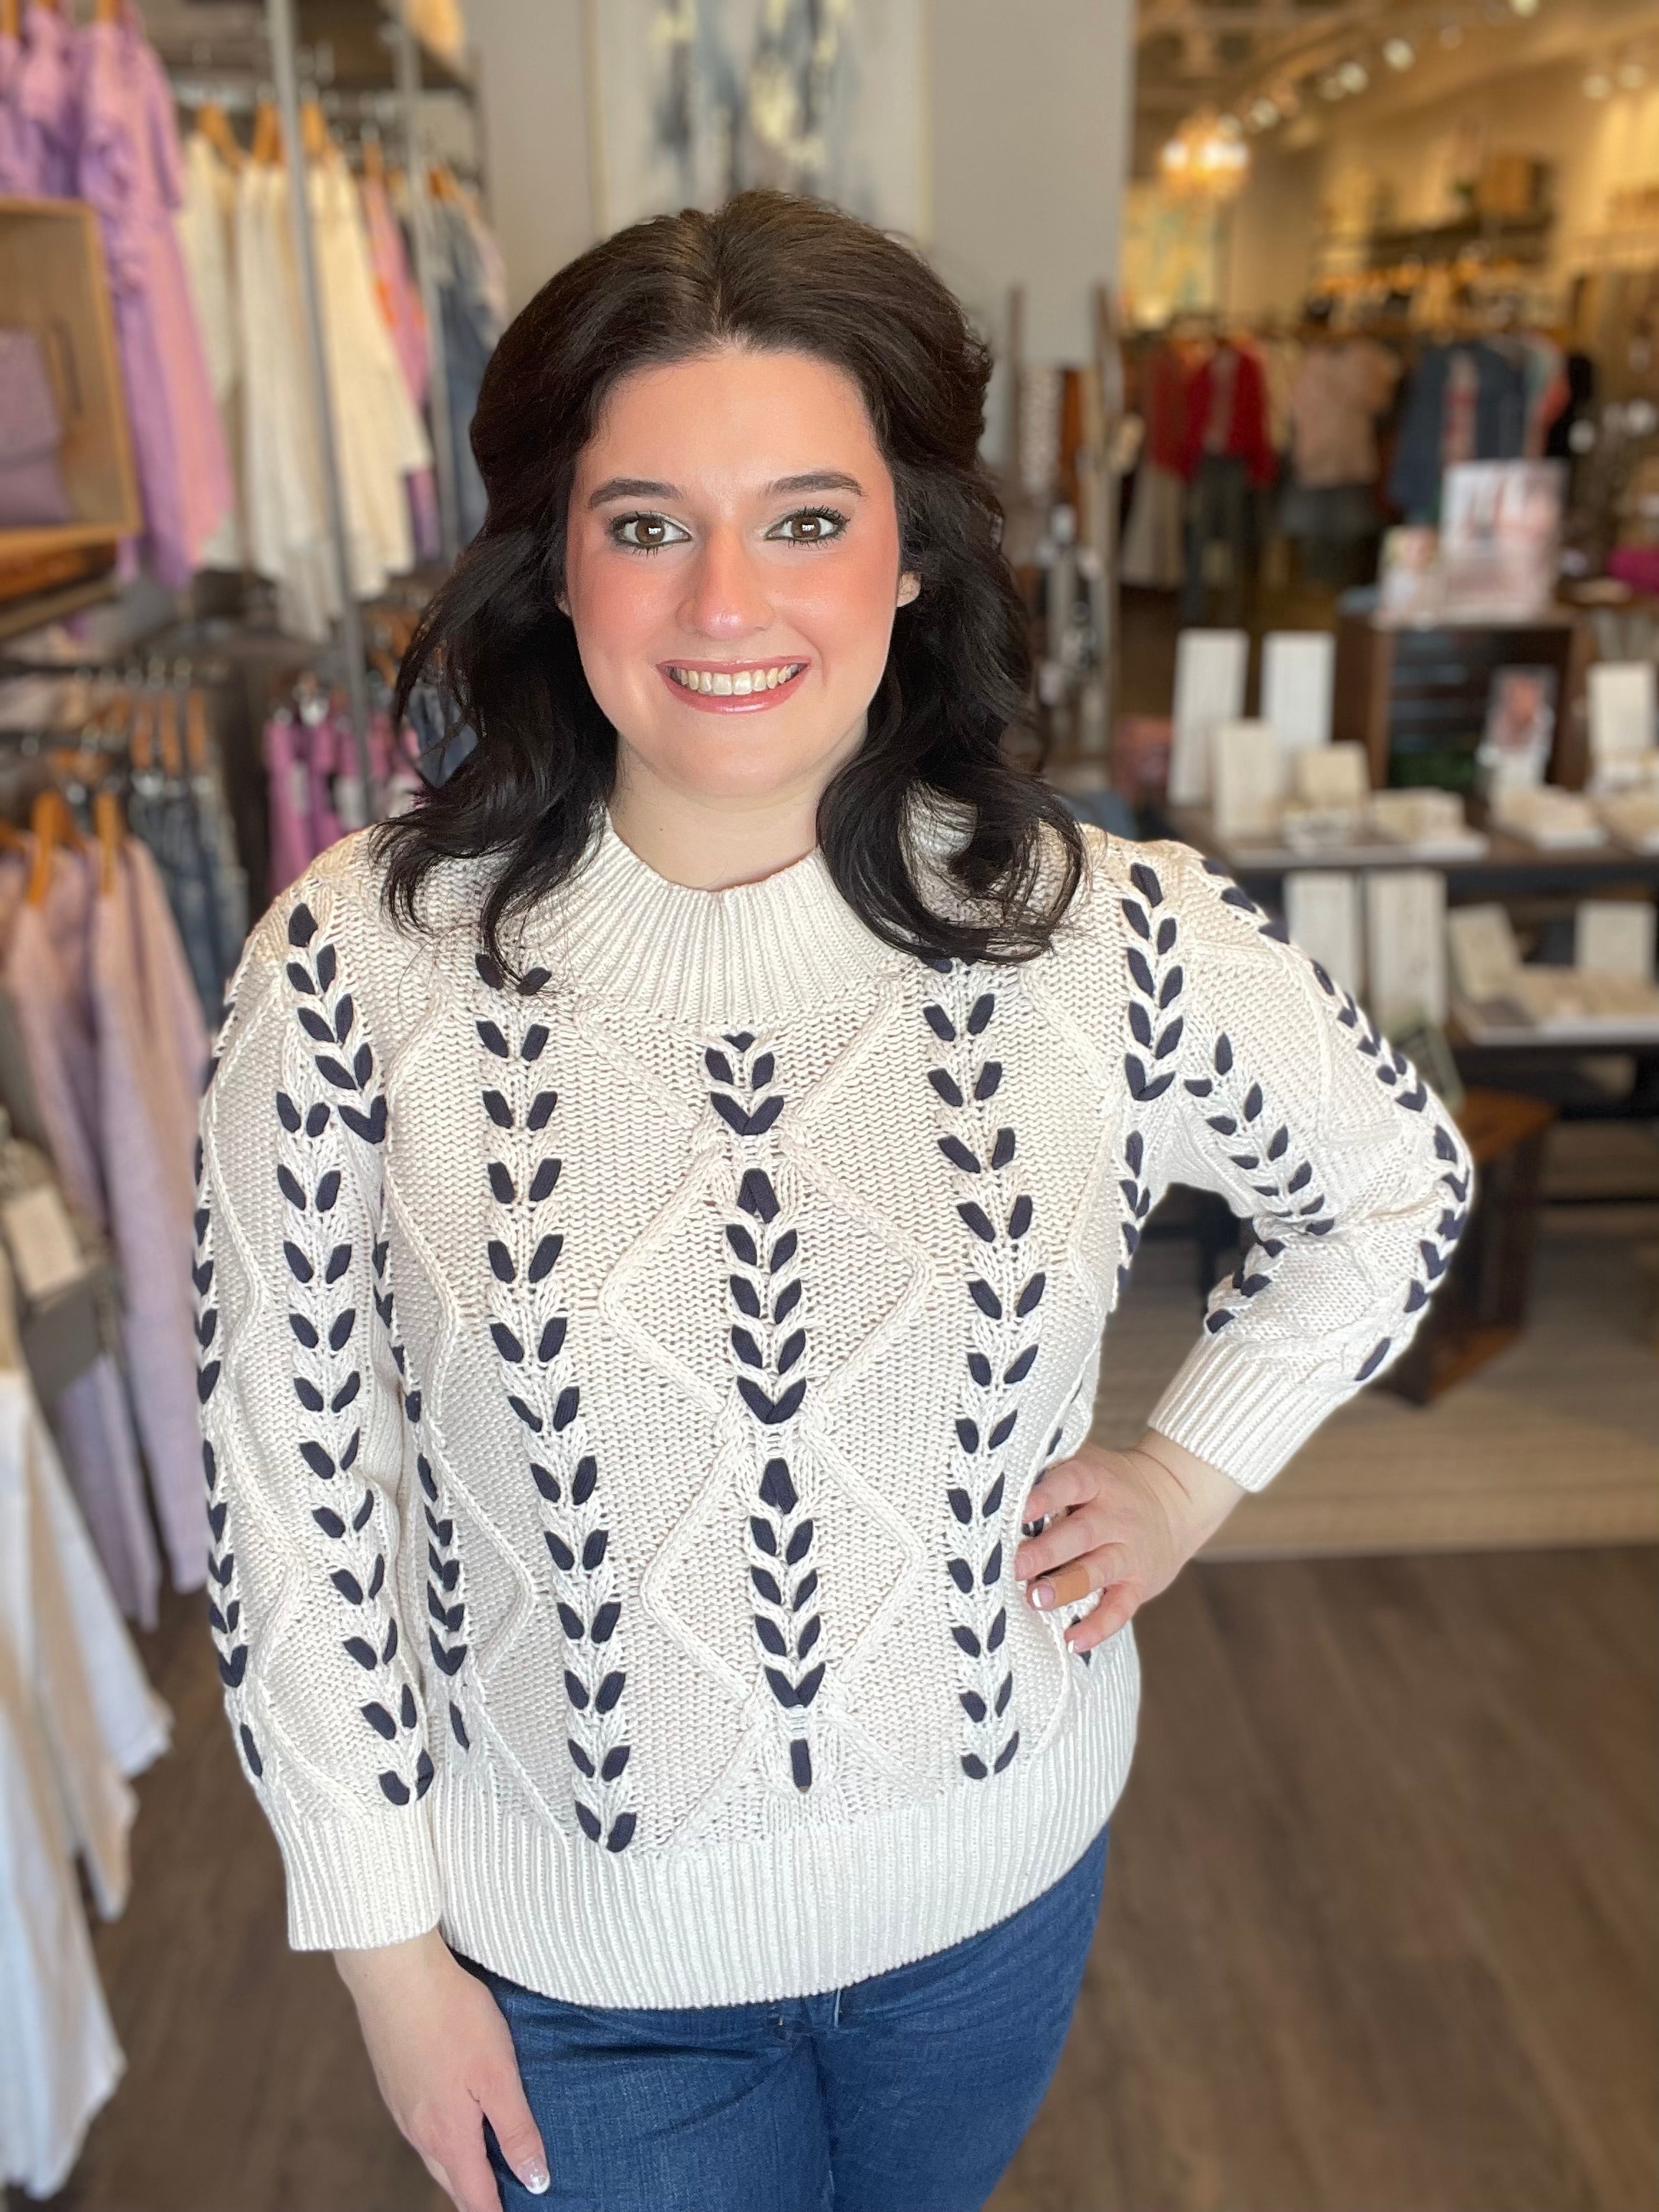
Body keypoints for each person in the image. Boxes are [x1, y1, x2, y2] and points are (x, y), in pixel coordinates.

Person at [193, 189, 1474, 2212]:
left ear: (910, 552)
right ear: (554, 559)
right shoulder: (356, 966)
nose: (728, 603)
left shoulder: (1095, 933)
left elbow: (1394, 1183)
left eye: (804, 518)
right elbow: (292, 1477)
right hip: (574, 1981)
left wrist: (1181, 1478)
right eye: (646, 524)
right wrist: (383, 1953)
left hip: (991, 1910)